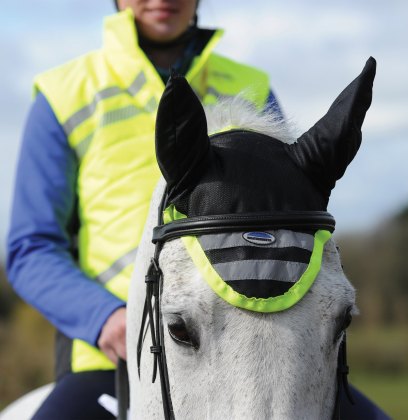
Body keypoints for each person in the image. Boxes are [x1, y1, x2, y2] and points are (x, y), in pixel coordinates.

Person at [7, 1, 281, 418]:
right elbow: (31, 248)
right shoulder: (63, 94)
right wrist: (108, 319)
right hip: (114, 359)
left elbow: (285, 221)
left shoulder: (253, 89)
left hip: (253, 353)